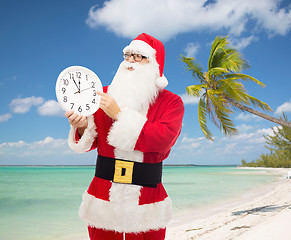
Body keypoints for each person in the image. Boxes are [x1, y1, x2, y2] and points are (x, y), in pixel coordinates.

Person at [65, 33, 184, 240]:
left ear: (155, 64)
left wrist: (119, 115)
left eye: (138, 56)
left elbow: (164, 140)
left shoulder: (171, 102)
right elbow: (89, 143)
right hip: (103, 197)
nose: (130, 60)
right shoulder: (102, 95)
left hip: (147, 199)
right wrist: (82, 127)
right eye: (127, 54)